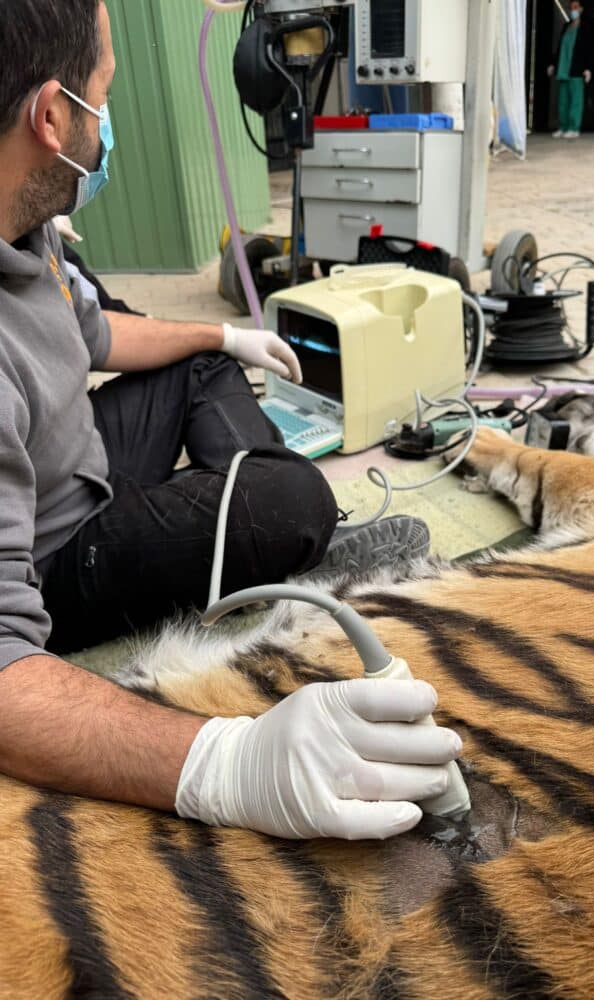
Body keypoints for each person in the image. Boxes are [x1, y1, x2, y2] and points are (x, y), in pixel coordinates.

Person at [0, 0, 459, 841]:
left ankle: (282, 525)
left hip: (75, 454)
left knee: (202, 361)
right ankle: (288, 528)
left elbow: (93, 331)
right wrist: (221, 761)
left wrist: (223, 333)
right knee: (286, 508)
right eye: (105, 97)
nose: (109, 130)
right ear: (54, 118)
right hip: (56, 549)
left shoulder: (24, 227)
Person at [548, 1, 594, 139]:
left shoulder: (586, 28)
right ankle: (562, 126)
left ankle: (574, 127)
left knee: (575, 100)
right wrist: (553, 64)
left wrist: (588, 68)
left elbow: (589, 50)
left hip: (577, 69)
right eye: (571, 8)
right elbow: (560, 47)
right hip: (563, 68)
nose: (572, 10)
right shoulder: (566, 27)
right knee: (562, 100)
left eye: (575, 8)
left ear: (581, 9)